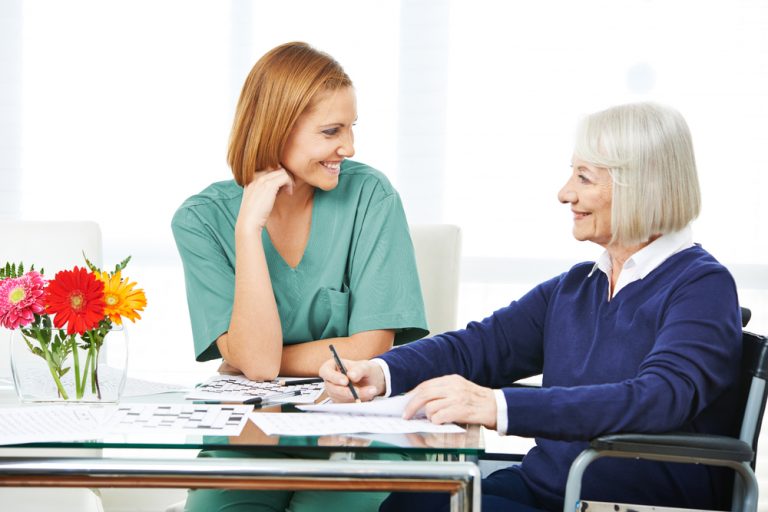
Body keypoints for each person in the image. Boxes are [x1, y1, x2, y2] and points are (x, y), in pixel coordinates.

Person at [320, 102, 743, 512]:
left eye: (584, 177)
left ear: (640, 186)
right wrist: (380, 371)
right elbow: (480, 346)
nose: (565, 193)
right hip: (548, 488)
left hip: (618, 503)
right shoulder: (581, 285)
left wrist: (498, 406)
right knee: (411, 502)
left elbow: (659, 397)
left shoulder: (701, 286)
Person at [172, 41, 428, 512]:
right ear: (275, 130)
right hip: (247, 434)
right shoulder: (201, 220)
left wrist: (257, 358)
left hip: (358, 431)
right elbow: (261, 363)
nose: (348, 147)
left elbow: (371, 347)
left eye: (351, 129)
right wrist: (249, 230)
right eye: (331, 131)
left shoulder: (371, 196)